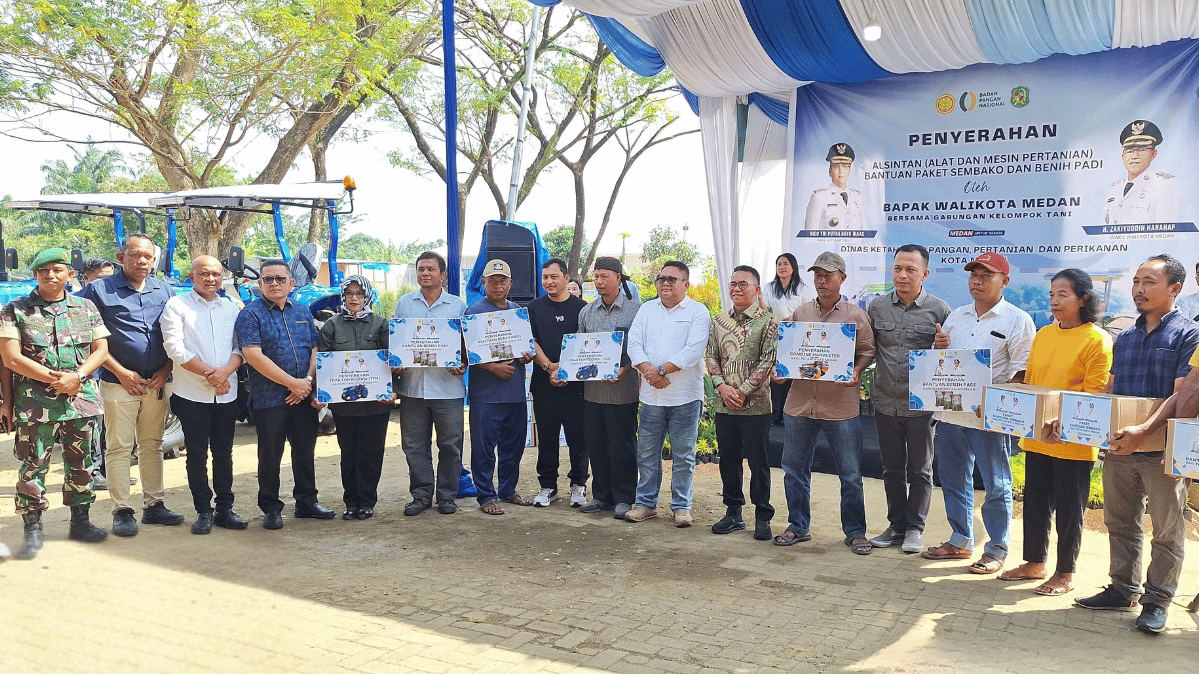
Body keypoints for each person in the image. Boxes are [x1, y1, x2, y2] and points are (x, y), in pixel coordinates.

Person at [1076, 255, 1199, 634]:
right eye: (1136, 282)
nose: (1139, 290)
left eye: (1149, 282)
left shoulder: (1188, 335)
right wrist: (1091, 428)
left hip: (1161, 452)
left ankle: (1157, 600)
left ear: (1175, 289)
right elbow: (1112, 391)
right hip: (1121, 450)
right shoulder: (1125, 336)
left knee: (1166, 529)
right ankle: (1121, 588)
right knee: (1120, 522)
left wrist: (1144, 430)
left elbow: (1182, 397)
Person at [999, 269, 1112, 596]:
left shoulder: (1096, 339)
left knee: (1069, 509)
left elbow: (1095, 393)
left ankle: (1065, 573)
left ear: (1083, 299)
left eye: (1063, 294)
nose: (1055, 301)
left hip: (1072, 442)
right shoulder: (1045, 334)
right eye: (1052, 294)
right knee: (1034, 504)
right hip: (1037, 438)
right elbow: (1031, 383)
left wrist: (1062, 421)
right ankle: (1035, 563)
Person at [922, 252, 1035, 574]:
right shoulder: (956, 316)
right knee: (953, 479)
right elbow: (941, 366)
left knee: (996, 483)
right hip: (952, 413)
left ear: (1005, 281)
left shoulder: (1018, 320)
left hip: (990, 417)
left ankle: (997, 548)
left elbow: (1021, 373)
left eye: (986, 275)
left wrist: (998, 402)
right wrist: (939, 348)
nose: (978, 280)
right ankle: (960, 540)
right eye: (974, 274)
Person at [0, 248, 110, 559]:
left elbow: (100, 349)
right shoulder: (15, 310)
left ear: (70, 274)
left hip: (81, 401)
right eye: (43, 270)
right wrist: (55, 379)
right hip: (34, 405)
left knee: (82, 463)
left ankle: (81, 522)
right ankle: (33, 528)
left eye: (58, 269)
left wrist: (78, 376)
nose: (51, 275)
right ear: (34, 275)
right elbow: (10, 358)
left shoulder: (85, 307)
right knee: (33, 466)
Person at [80, 233, 185, 536]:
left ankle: (154, 505)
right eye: (135, 255)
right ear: (120, 256)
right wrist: (122, 373)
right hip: (117, 383)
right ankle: (122, 510)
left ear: (154, 260)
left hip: (156, 382)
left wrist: (166, 371)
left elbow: (173, 338)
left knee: (152, 445)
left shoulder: (164, 290)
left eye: (148, 257)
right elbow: (89, 340)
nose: (142, 261)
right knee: (119, 446)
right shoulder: (98, 291)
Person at [772, 251, 875, 553]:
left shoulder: (856, 316)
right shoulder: (800, 313)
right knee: (793, 469)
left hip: (840, 406)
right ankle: (798, 525)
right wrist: (781, 372)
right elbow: (788, 351)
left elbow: (868, 350)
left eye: (828, 275)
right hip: (800, 404)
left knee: (851, 473)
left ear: (842, 278)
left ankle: (855, 532)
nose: (822, 281)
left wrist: (856, 370)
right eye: (817, 275)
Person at [235, 259, 334, 529]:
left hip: (303, 395)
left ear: (291, 283)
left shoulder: (302, 310)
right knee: (270, 455)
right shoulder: (250, 314)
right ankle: (270, 507)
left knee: (304, 452)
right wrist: (293, 383)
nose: (274, 284)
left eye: (280, 279)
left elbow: (314, 349)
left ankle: (307, 502)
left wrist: (308, 382)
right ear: (260, 284)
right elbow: (253, 356)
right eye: (268, 279)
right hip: (270, 400)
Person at [866, 244, 950, 553]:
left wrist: (943, 348)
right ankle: (895, 527)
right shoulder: (876, 308)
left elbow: (949, 361)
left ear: (924, 273)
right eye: (898, 268)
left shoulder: (940, 310)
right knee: (891, 468)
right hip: (886, 400)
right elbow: (867, 349)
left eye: (910, 269)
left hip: (921, 406)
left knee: (920, 470)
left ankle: (915, 528)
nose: (902, 275)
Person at [160, 255, 247, 534]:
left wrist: (225, 374)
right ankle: (204, 511)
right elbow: (175, 349)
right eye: (204, 274)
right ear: (192, 276)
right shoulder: (176, 305)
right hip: (191, 395)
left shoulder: (232, 308)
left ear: (223, 277)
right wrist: (213, 374)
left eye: (216, 274)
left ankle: (225, 509)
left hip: (227, 394)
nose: (211, 279)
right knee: (196, 454)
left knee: (224, 454)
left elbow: (241, 346)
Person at [625, 261, 711, 527]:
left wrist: (659, 371)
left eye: (672, 279)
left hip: (685, 396)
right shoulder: (646, 310)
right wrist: (650, 372)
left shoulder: (698, 312)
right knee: (647, 454)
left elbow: (693, 350)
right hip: (652, 397)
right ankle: (646, 503)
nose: (664, 283)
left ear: (686, 284)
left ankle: (681, 507)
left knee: (684, 456)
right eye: (661, 278)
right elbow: (634, 344)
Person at [704, 265, 778, 539]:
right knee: (729, 459)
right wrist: (721, 387)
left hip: (755, 405)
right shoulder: (719, 320)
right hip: (724, 403)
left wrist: (744, 391)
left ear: (756, 289)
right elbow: (711, 356)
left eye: (743, 284)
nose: (736, 288)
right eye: (733, 284)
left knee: (758, 462)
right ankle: (733, 512)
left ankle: (762, 515)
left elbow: (767, 360)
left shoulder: (768, 321)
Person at [395, 251, 467, 516]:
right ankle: (421, 495)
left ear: (443, 274)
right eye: (420, 269)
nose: (425, 274)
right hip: (412, 387)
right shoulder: (404, 304)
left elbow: (466, 344)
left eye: (430, 269)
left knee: (450, 445)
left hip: (448, 387)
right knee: (414, 446)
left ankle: (447, 496)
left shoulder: (457, 306)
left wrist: (464, 362)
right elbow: (399, 341)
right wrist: (396, 359)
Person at [318, 275, 392, 520]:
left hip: (375, 405)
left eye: (359, 294)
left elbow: (392, 361)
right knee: (348, 454)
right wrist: (322, 394)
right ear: (343, 296)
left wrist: (392, 391)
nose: (354, 298)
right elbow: (324, 364)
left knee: (371, 454)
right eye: (349, 294)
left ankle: (367, 501)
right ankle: (351, 502)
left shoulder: (381, 324)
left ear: (367, 296)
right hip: (344, 406)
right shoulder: (332, 326)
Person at [467, 259, 534, 515]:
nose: (498, 285)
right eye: (492, 281)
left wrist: (526, 356)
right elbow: (467, 352)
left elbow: (525, 348)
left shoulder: (517, 311)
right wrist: (492, 368)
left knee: (513, 447)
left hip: (515, 393)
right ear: (484, 283)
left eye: (502, 280)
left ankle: (507, 489)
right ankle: (485, 495)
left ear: (510, 284)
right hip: (486, 394)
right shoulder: (474, 312)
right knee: (484, 449)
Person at [576, 257, 641, 518]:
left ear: (618, 278)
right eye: (596, 277)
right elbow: (578, 351)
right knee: (596, 444)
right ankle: (601, 496)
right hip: (593, 393)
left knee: (622, 445)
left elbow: (639, 349)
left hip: (623, 391)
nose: (599, 282)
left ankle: (625, 497)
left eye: (605, 276)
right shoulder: (586, 312)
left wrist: (624, 369)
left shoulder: (636, 311)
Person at [528, 259, 589, 507]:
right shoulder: (533, 307)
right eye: (545, 277)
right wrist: (549, 367)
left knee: (578, 438)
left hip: (575, 386)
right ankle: (548, 486)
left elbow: (587, 345)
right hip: (544, 384)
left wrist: (565, 371)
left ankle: (579, 485)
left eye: (554, 276)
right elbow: (530, 340)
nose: (549, 282)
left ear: (567, 278)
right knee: (547, 437)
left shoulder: (582, 308)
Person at [1103, 120, 1179, 225]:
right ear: (1123, 156)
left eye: (1142, 150)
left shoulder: (1163, 185)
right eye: (1129, 151)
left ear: (1153, 154)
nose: (1134, 156)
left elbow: (1166, 233)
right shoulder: (1114, 189)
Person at [805, 143, 865, 231]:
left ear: (849, 171)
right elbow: (810, 236)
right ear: (830, 171)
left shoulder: (857, 197)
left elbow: (864, 234)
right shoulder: (819, 198)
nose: (841, 171)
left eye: (845, 166)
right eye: (837, 167)